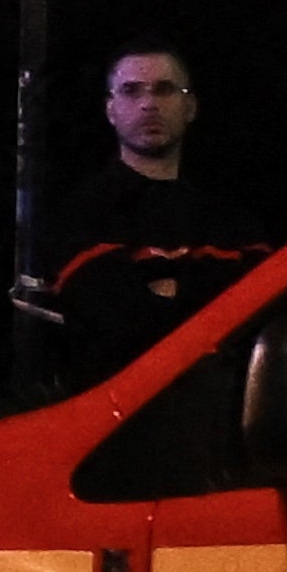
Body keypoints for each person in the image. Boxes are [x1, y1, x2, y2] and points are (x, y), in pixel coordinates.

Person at [45, 38, 255, 362]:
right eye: (131, 91)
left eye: (165, 89)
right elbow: (119, 328)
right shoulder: (85, 213)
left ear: (191, 107)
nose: (149, 104)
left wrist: (168, 292)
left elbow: (260, 313)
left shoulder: (228, 216)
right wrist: (203, 291)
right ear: (110, 110)